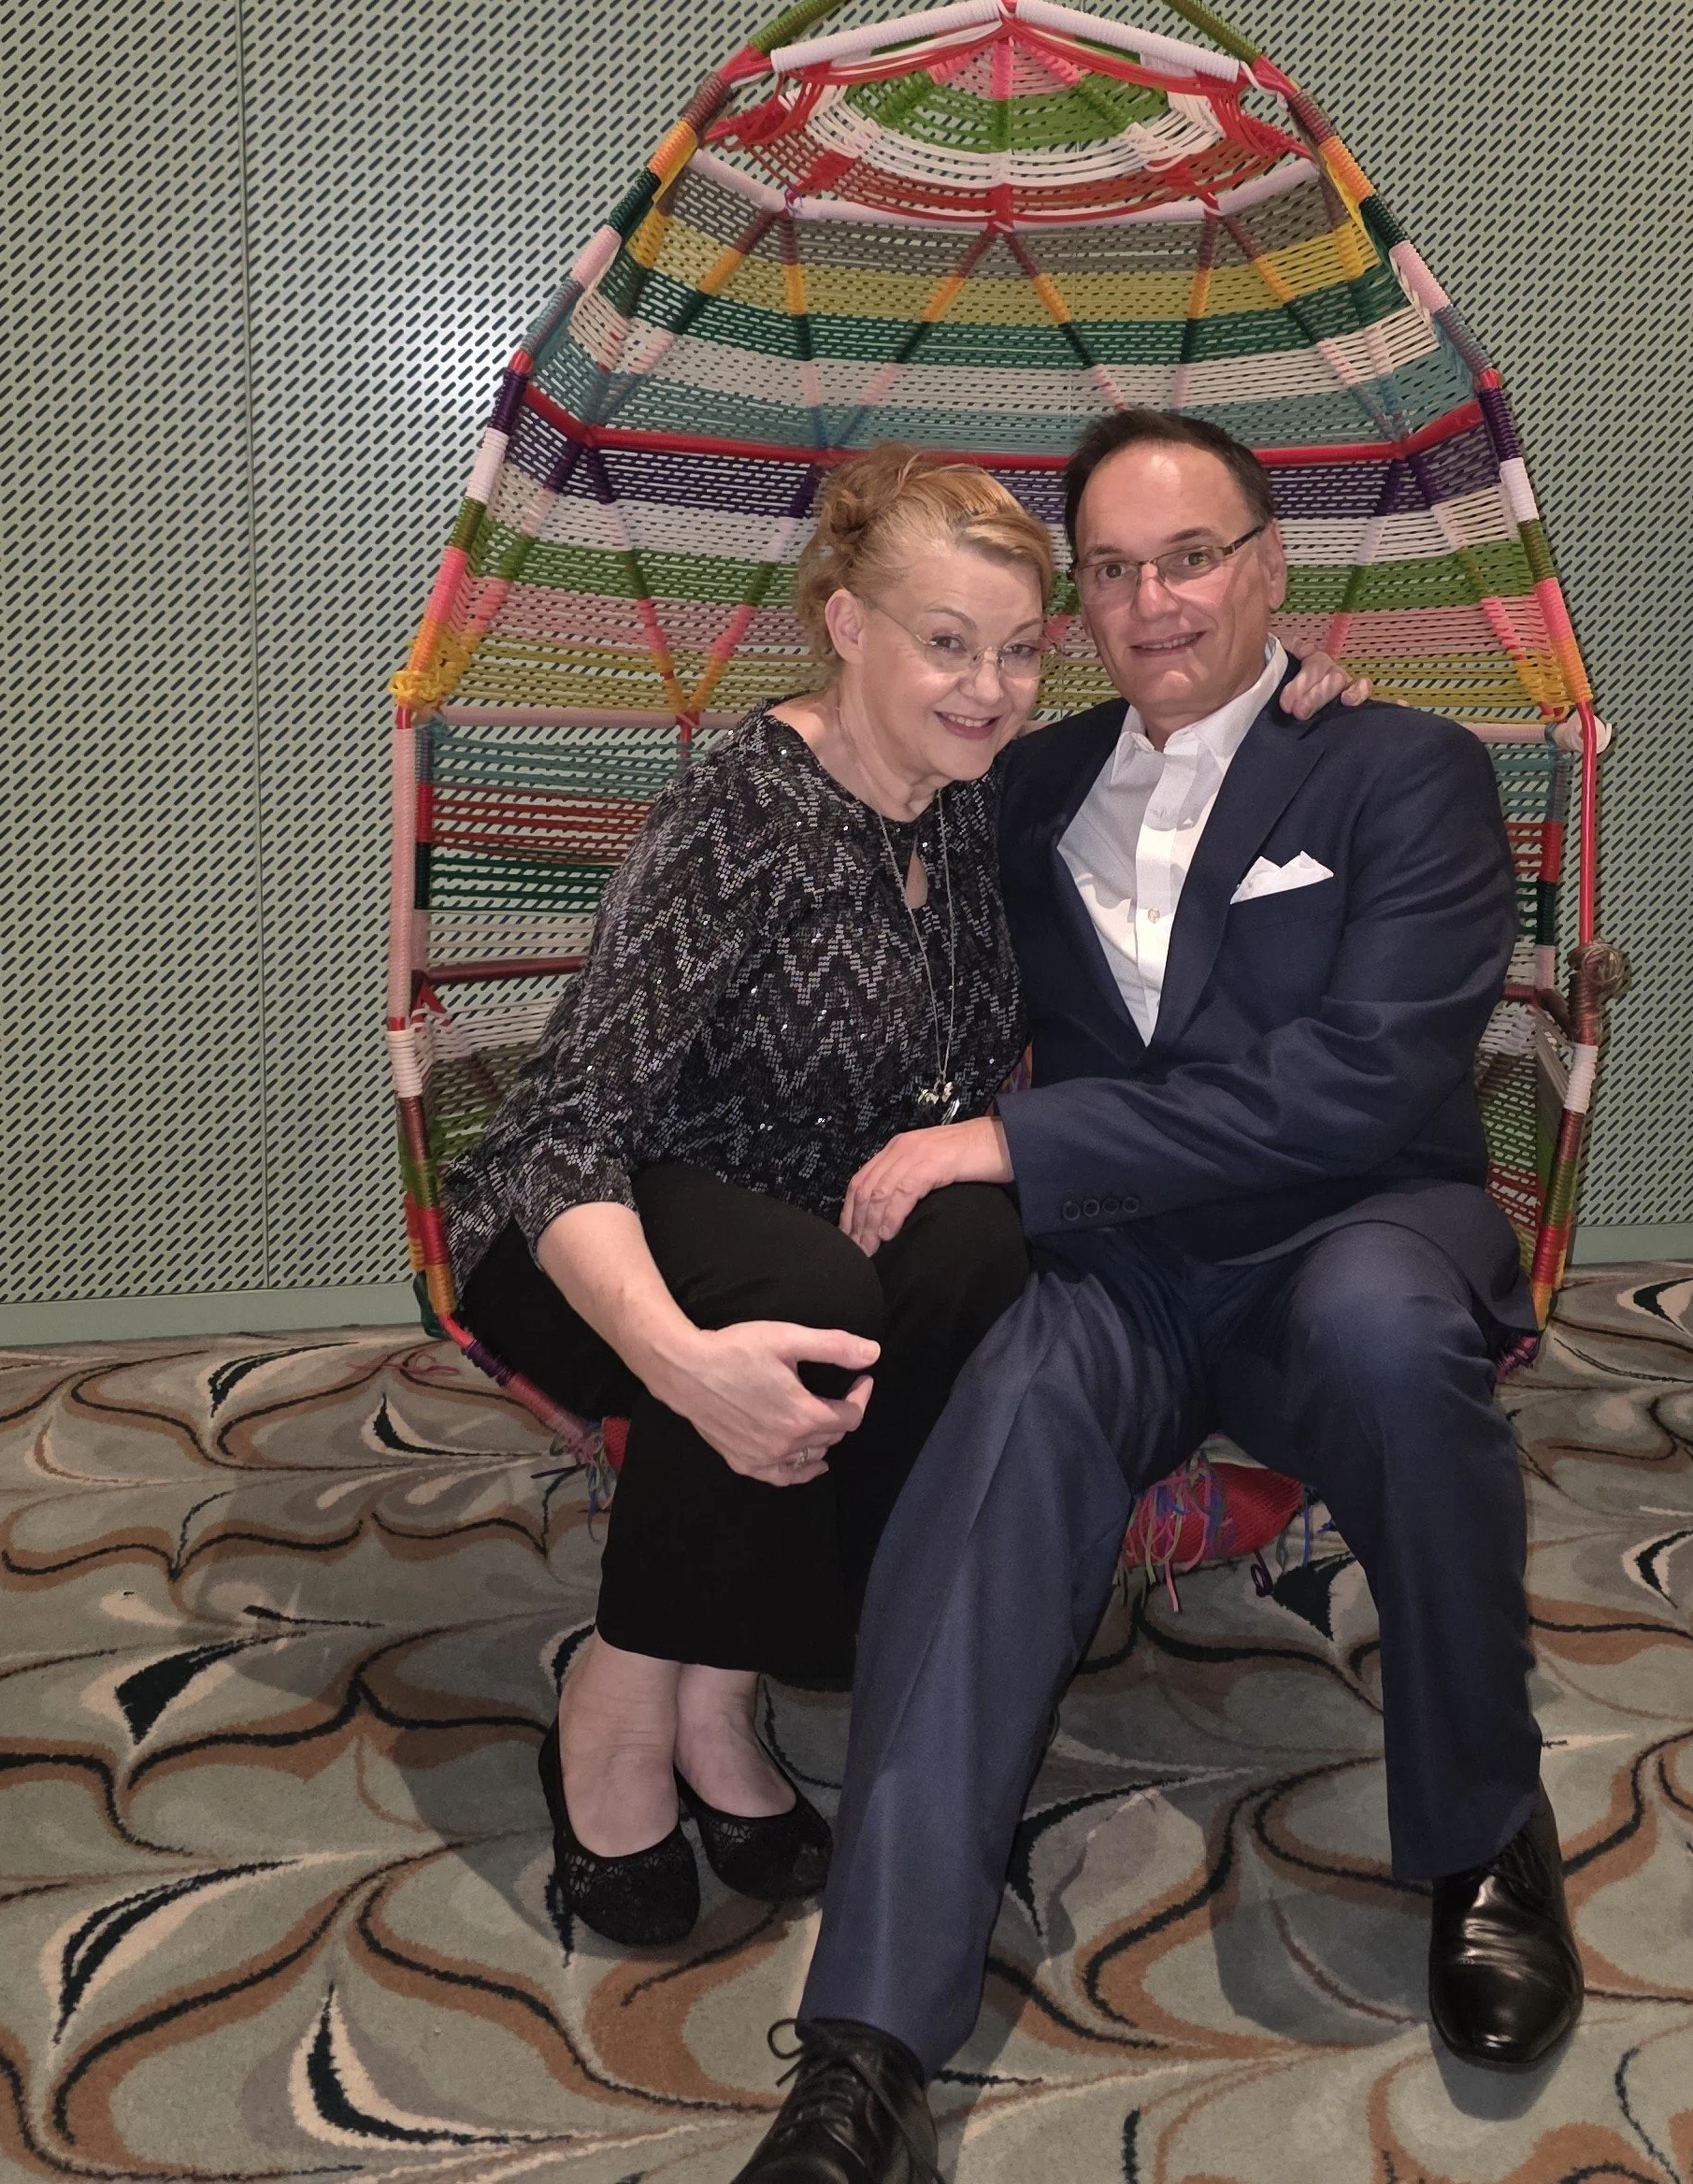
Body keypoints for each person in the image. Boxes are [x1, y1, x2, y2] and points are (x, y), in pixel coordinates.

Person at [735, 410, 1581, 2184]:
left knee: (1383, 1333)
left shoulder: (1405, 770)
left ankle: (1488, 1834)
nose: (1152, 600)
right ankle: (866, 2037)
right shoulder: (1026, 786)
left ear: (1269, 566)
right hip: (1123, 1268)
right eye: (1110, 571)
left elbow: (1359, 1082)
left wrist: (1015, 1143)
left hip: (1342, 1233)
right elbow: (864, 790)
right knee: (1010, 1418)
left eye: (1189, 557)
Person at [441, 447, 1048, 1946]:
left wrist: (1308, 689)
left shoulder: (969, 804)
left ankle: (723, 1697)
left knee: (976, 1240)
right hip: (586, 1230)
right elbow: (561, 1131)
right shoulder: (747, 812)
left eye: (1024, 649)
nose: (991, 687)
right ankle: (618, 1706)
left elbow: (1185, 740)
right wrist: (676, 1361)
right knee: (805, 1304)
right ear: (848, 627)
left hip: (800, 1234)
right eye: (948, 642)